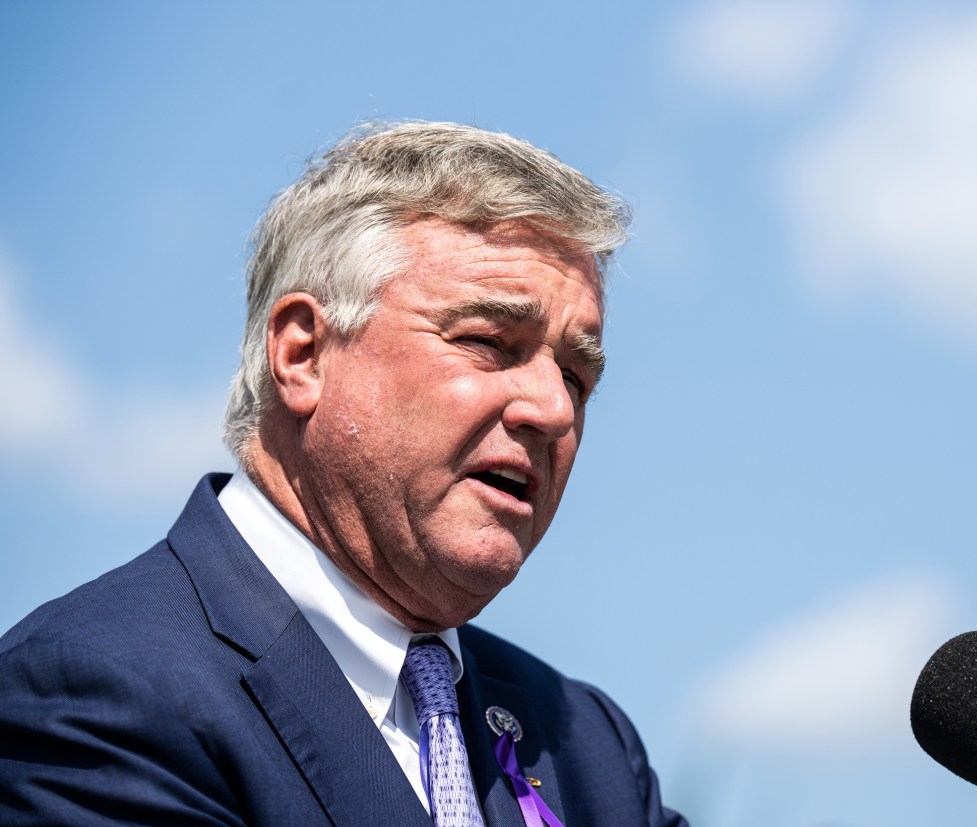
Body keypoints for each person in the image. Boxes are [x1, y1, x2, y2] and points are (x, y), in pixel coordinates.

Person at [0, 121, 687, 827]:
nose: (552, 409)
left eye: (575, 376)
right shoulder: (96, 696)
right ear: (304, 354)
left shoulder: (591, 750)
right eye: (487, 342)